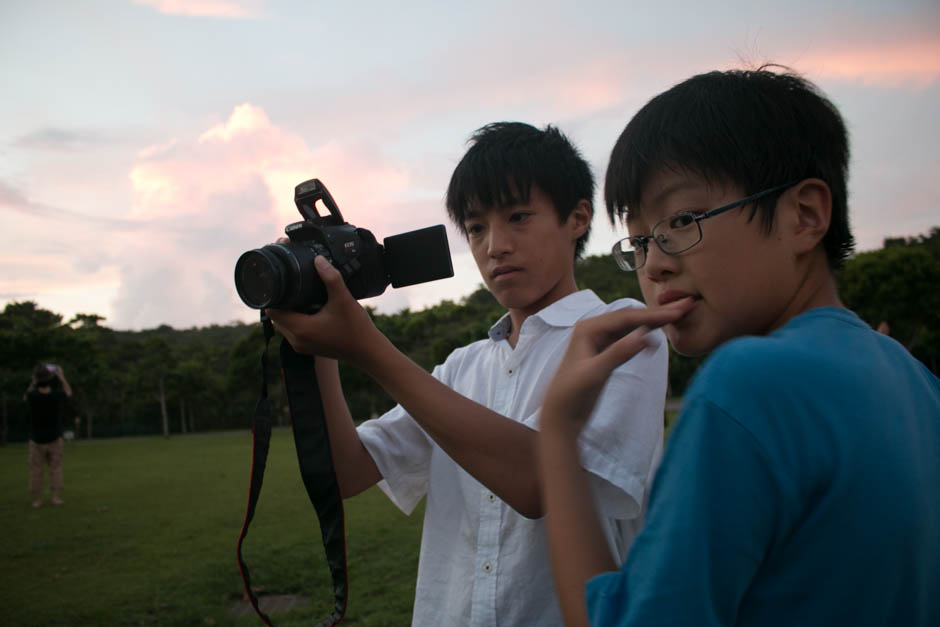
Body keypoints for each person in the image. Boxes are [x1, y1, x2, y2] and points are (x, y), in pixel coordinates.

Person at [538, 67, 940, 626]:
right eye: (640, 240)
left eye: (682, 220)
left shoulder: (749, 383)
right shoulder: (915, 378)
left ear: (804, 216)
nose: (654, 265)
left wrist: (558, 430)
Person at [268, 122, 672, 626]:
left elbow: (534, 482)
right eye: (476, 228)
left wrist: (365, 346)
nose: (495, 246)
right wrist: (317, 338)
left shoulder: (624, 330)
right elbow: (347, 472)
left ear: (577, 218)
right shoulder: (462, 367)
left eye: (518, 217)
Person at [24, 363, 73, 508]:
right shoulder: (55, 395)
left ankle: (37, 500)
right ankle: (55, 498)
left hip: (36, 439)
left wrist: (34, 380)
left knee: (36, 470)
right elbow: (68, 392)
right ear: (50, 379)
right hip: (54, 438)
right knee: (55, 468)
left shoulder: (32, 396)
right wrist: (61, 377)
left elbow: (26, 395)